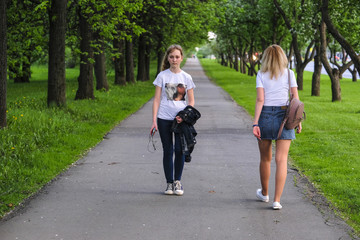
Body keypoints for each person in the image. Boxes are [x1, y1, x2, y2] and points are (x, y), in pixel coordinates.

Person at [252, 44, 302, 210]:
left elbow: (260, 100)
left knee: (265, 158)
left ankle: (264, 194)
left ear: (266, 57)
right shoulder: (289, 74)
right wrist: (298, 120)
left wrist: (255, 122)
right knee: (282, 160)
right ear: (282, 57)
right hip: (285, 117)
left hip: (265, 116)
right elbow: (295, 98)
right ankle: (277, 200)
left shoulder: (261, 74)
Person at [150, 44, 195, 196]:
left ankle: (178, 181)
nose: (174, 59)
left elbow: (191, 101)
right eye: (171, 57)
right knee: (168, 150)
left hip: (180, 121)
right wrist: (154, 121)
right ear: (168, 59)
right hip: (164, 118)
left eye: (177, 56)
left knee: (179, 150)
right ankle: (169, 183)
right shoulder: (162, 76)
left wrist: (184, 116)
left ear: (181, 58)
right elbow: (156, 99)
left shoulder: (186, 77)